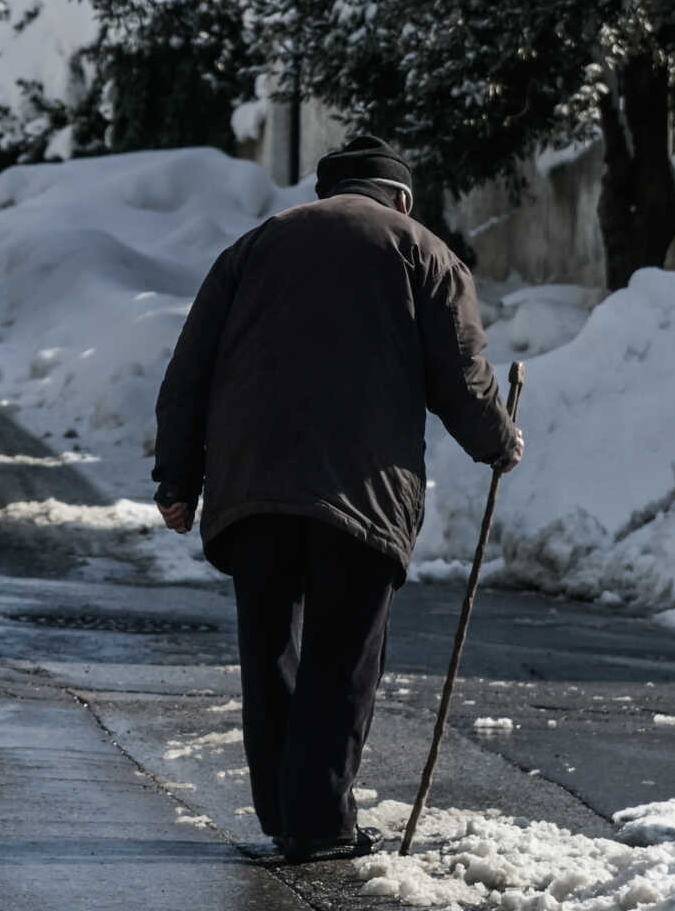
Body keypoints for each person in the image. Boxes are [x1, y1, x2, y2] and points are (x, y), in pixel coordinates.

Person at [150, 134, 523, 864]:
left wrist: (177, 480)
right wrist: (499, 442)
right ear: (402, 197)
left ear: (325, 190)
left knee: (271, 653)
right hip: (362, 493)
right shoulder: (423, 251)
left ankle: (284, 815)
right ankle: (319, 824)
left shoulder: (255, 248)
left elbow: (189, 367)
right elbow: (460, 375)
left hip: (252, 489)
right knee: (342, 655)